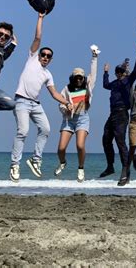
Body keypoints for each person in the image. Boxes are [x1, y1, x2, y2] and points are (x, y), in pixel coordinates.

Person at [9, 13, 72, 182]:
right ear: (38, 55)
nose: (44, 57)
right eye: (43, 54)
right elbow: (38, 37)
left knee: (45, 129)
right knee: (23, 131)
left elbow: (54, 93)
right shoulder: (32, 59)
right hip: (21, 101)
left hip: (36, 104)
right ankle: (15, 165)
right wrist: (41, 18)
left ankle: (35, 160)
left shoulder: (48, 74)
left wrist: (67, 102)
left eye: (48, 56)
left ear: (50, 60)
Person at [100, 43, 136, 186]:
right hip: (112, 115)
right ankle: (110, 166)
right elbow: (105, 85)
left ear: (125, 73)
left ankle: (125, 171)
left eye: (121, 71)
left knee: (120, 143)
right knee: (106, 140)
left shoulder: (127, 81)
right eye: (117, 71)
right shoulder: (113, 83)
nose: (118, 73)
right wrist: (105, 72)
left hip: (122, 115)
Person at [54, 46, 99, 182]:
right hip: (68, 119)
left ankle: (81, 168)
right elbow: (61, 103)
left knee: (80, 145)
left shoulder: (88, 86)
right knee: (61, 149)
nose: (79, 79)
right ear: (73, 78)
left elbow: (94, 72)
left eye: (81, 77)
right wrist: (65, 108)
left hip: (83, 118)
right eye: (77, 77)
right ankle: (62, 162)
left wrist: (94, 57)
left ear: (83, 77)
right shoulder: (67, 89)